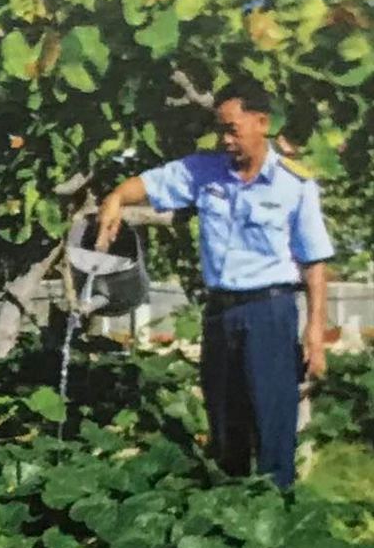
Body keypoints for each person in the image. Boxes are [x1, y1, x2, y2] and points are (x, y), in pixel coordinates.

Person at [93, 82, 332, 489]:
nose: (225, 139)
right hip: (220, 312)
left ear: (262, 123)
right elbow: (146, 185)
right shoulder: (203, 172)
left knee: (271, 416)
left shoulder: (295, 185)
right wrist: (115, 199)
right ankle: (229, 506)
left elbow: (314, 264)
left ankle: (276, 516)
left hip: (269, 311)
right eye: (221, 130)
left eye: (233, 129)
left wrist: (315, 332)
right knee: (224, 414)